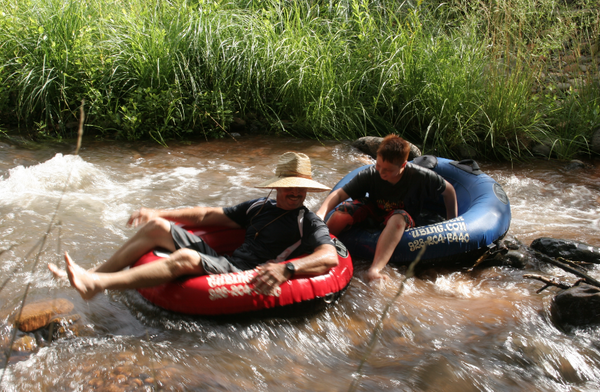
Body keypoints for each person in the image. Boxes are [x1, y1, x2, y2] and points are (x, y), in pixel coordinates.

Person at [49, 152, 338, 299]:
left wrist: (286, 269)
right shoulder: (258, 206)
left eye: (301, 188)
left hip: (247, 274)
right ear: (278, 187)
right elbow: (205, 216)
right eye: (290, 187)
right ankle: (89, 277)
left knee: (187, 257)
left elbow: (329, 257)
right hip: (228, 261)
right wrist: (157, 212)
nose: (296, 193)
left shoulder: (308, 222)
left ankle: (98, 285)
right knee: (157, 228)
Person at [316, 135, 457, 282]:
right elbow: (339, 195)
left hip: (401, 218)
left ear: (402, 166)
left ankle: (374, 270)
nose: (381, 172)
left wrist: (453, 221)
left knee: (398, 217)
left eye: (388, 170)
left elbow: (449, 191)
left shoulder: (421, 176)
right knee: (341, 214)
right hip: (374, 211)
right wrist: (321, 212)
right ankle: (317, 248)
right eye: (378, 166)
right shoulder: (371, 173)